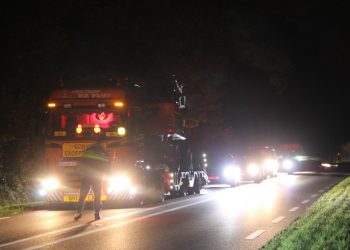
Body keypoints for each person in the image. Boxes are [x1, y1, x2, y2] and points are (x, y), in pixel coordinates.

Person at [74, 141, 110, 221]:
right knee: (97, 196)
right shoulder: (104, 155)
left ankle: (78, 213)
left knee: (82, 196)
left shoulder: (87, 153)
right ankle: (97, 214)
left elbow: (81, 165)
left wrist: (81, 174)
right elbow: (107, 168)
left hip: (86, 177)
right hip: (97, 179)